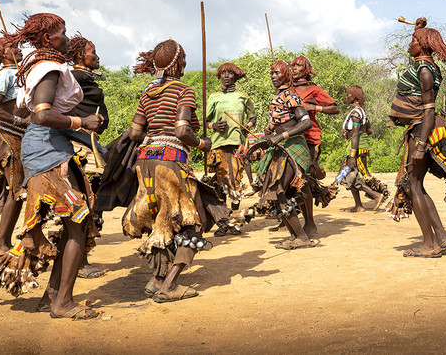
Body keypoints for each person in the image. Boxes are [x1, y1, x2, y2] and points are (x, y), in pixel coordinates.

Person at [0, 13, 103, 319]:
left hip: (45, 146)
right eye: (63, 33)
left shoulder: (34, 68)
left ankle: (52, 297)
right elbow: (42, 115)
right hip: (47, 149)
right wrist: (82, 121)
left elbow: (28, 111)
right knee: (78, 222)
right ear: (49, 39)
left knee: (76, 224)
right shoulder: (49, 68)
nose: (67, 39)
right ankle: (62, 303)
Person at [123, 39, 245, 303]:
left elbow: (135, 132)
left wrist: (156, 134)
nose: (186, 65)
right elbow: (181, 130)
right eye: (184, 60)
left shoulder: (148, 93)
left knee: (162, 221)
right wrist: (202, 143)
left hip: (144, 161)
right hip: (170, 162)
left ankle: (156, 279)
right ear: (177, 63)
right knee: (193, 220)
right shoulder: (184, 91)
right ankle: (169, 284)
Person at [386, 22, 446, 258]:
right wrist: (418, 28)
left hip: (422, 129)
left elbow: (429, 109)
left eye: (414, 40)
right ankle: (442, 236)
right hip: (420, 128)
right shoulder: (424, 66)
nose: (410, 43)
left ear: (423, 46)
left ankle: (430, 244)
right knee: (417, 185)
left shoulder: (425, 70)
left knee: (413, 185)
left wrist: (421, 145)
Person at [251, 60, 315, 250]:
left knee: (278, 190)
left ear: (286, 75)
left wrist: (282, 136)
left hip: (293, 147)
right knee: (279, 192)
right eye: (271, 73)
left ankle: (302, 237)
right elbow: (278, 123)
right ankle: (295, 236)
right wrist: (271, 133)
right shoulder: (279, 97)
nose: (273, 76)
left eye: (277, 73)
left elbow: (306, 123)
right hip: (281, 148)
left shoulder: (290, 95)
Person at [68, 33, 109, 278]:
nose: (97, 56)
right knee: (86, 200)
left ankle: (80, 258)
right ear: (79, 55)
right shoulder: (74, 77)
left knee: (90, 199)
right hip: (80, 145)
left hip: (88, 142)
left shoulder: (81, 78)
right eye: (93, 51)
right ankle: (79, 262)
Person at [0, 37, 29, 253]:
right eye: (13, 48)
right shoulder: (6, 74)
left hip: (17, 136)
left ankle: (3, 241)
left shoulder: (19, 74)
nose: (19, 50)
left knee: (19, 190)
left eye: (19, 47)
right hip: (5, 136)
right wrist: (19, 121)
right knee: (17, 190)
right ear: (2, 53)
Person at [291, 55, 339, 232]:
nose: (293, 68)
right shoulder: (287, 89)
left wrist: (315, 108)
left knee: (303, 180)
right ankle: (288, 219)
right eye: (292, 66)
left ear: (306, 70)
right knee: (289, 178)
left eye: (297, 66)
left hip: (309, 139)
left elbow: (335, 108)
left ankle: (310, 222)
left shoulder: (315, 90)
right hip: (289, 138)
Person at [206, 62, 256, 229]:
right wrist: (214, 126)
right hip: (219, 145)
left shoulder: (243, 96)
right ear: (219, 76)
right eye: (223, 73)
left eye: (230, 73)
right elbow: (205, 122)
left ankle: (234, 222)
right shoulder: (214, 97)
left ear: (236, 76)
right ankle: (222, 223)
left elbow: (252, 117)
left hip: (237, 145)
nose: (227, 76)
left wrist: (247, 126)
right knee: (220, 185)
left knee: (235, 182)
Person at [338, 85, 389, 212]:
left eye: (348, 94)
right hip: (358, 145)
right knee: (346, 174)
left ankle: (376, 195)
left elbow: (355, 134)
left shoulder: (356, 113)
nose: (346, 96)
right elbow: (369, 131)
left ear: (355, 97)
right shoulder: (361, 111)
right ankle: (359, 205)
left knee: (348, 175)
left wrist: (352, 155)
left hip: (356, 147)